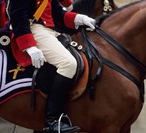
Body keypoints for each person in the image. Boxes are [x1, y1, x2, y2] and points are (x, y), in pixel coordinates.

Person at [8, 0, 95, 133]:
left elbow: (58, 14)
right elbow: (17, 16)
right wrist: (29, 46)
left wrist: (80, 18)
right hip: (33, 30)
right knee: (68, 64)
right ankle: (53, 120)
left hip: (52, 30)